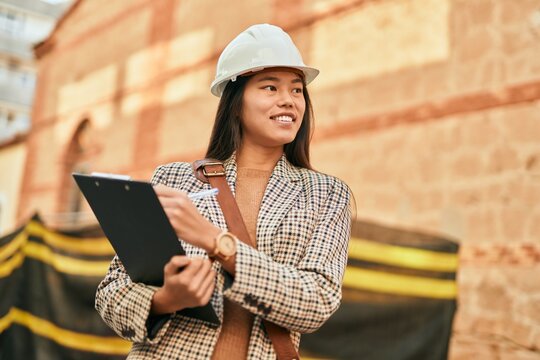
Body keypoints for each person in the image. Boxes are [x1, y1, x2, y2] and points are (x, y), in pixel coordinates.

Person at [95, 23, 352, 359]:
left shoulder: (327, 194)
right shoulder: (174, 180)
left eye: (297, 90)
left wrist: (218, 243)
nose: (288, 101)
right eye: (270, 87)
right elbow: (111, 293)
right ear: (236, 101)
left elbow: (316, 302)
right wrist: (165, 299)